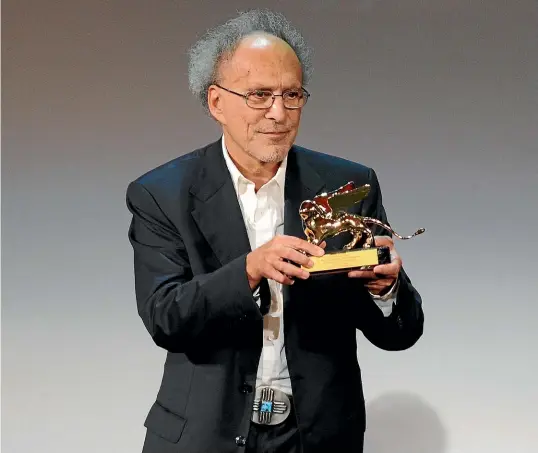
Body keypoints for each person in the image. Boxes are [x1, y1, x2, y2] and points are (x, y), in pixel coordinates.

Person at [126, 9, 424, 453]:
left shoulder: (347, 186)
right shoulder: (162, 193)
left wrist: (386, 291)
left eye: (292, 94)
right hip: (204, 435)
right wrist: (248, 269)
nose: (279, 113)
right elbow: (166, 317)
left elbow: (400, 334)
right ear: (215, 103)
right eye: (259, 95)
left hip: (319, 435)